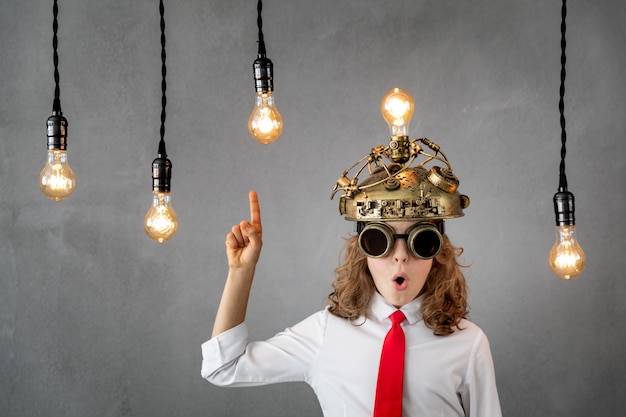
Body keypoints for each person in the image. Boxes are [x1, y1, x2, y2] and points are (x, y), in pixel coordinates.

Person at [201, 92, 502, 416]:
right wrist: (240, 273)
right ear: (363, 251)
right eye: (380, 240)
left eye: (420, 242)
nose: (400, 257)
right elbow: (223, 367)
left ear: (437, 253)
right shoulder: (326, 333)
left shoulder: (468, 344)